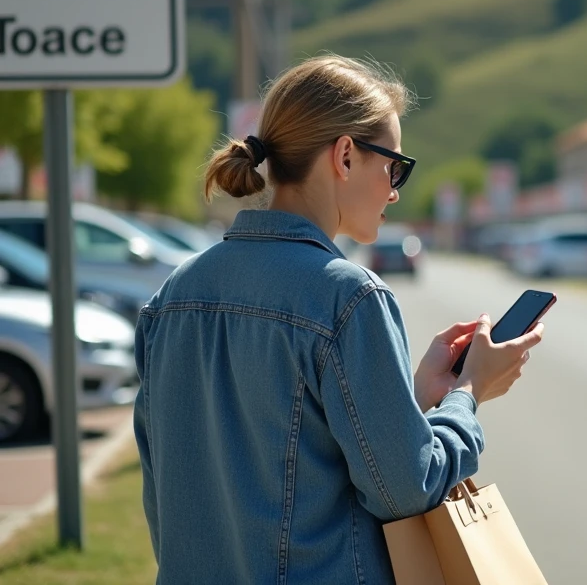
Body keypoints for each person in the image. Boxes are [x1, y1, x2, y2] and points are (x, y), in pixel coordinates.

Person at [133, 54, 543, 583]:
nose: (395, 190)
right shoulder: (348, 296)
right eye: (394, 166)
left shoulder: (174, 293)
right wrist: (469, 392)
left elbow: (168, 484)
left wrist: (411, 398)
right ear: (346, 156)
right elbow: (408, 488)